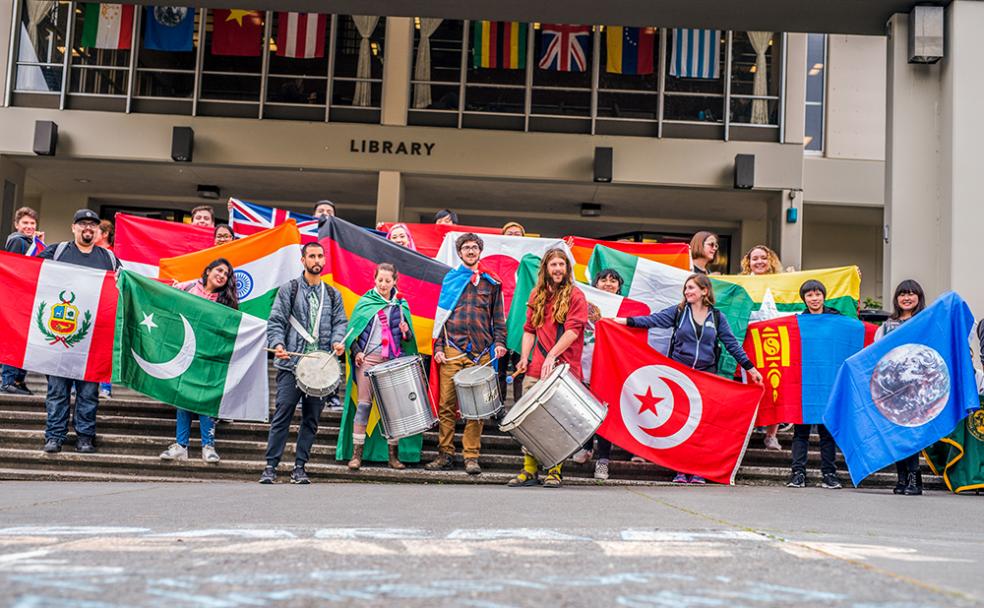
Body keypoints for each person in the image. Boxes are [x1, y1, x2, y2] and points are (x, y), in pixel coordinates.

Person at [614, 273, 763, 484]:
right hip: (680, 375)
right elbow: (651, 321)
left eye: (691, 288)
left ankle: (698, 470)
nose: (687, 292)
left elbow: (732, 344)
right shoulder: (679, 312)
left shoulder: (717, 317)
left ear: (705, 291)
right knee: (681, 423)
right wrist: (618, 321)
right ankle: (680, 470)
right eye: (686, 289)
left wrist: (751, 369)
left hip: (706, 377)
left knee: (701, 426)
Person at [260, 242, 348, 484]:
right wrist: (278, 344)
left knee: (311, 420)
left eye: (320, 256)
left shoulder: (332, 294)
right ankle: (270, 466)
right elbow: (276, 320)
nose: (316, 260)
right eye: (312, 256)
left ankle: (299, 467)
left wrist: (338, 341)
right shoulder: (289, 290)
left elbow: (341, 322)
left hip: (320, 368)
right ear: (303, 260)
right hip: (291, 365)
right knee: (282, 414)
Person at [36, 209, 120, 453]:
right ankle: (54, 437)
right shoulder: (57, 251)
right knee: (57, 392)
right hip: (59, 336)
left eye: (92, 225)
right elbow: (29, 272)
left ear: (98, 230)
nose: (87, 228)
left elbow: (127, 284)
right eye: (82, 224)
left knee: (88, 393)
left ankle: (85, 437)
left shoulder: (109, 258)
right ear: (73, 227)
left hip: (93, 340)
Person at [425, 233, 507, 475]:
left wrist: (500, 343)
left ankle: (471, 457)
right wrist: (438, 348)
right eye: (466, 248)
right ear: (459, 253)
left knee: (477, 409)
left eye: (474, 247)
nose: (470, 251)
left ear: (480, 252)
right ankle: (445, 454)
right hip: (452, 350)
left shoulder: (492, 283)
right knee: (446, 406)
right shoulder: (450, 280)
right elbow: (440, 317)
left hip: (480, 353)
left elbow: (498, 319)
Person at [509, 248, 588, 489]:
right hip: (536, 368)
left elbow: (574, 331)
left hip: (564, 369)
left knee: (557, 421)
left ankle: (554, 469)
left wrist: (552, 356)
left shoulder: (576, 295)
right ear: (545, 268)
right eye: (553, 265)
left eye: (561, 265)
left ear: (567, 268)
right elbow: (529, 330)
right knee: (529, 420)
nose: (557, 269)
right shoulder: (537, 294)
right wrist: (524, 357)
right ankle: (529, 470)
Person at [159, 258, 239, 464]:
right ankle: (181, 446)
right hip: (185, 353)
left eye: (226, 275)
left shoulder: (225, 302)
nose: (222, 276)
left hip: (209, 357)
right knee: (182, 399)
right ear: (208, 270)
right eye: (219, 270)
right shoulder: (189, 287)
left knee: (205, 401)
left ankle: (208, 446)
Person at [343, 263, 416, 471]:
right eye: (380, 280)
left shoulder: (401, 305)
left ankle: (393, 456)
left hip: (392, 361)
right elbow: (352, 334)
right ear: (374, 279)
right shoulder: (366, 302)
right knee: (364, 405)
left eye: (387, 280)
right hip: (368, 359)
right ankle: (357, 455)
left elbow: (408, 340)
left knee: (393, 409)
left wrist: (406, 331)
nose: (383, 284)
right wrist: (356, 351)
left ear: (395, 281)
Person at [786, 280, 843, 490]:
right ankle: (797, 473)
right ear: (804, 299)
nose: (814, 298)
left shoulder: (837, 319)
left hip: (829, 381)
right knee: (800, 431)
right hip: (806, 382)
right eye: (809, 295)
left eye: (818, 294)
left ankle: (829, 474)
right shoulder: (798, 321)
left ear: (824, 296)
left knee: (827, 431)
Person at [874, 279, 927, 496]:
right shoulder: (887, 326)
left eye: (911, 293)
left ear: (918, 297)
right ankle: (902, 477)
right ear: (896, 299)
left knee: (910, 435)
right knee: (895, 435)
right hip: (893, 390)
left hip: (916, 389)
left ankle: (915, 479)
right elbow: (876, 354)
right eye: (902, 294)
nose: (907, 298)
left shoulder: (925, 321)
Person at [574, 268, 625, 480]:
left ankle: (603, 459)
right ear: (595, 284)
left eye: (613, 281)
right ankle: (586, 446)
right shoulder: (585, 303)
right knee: (586, 408)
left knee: (605, 414)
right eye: (604, 279)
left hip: (610, 368)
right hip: (585, 364)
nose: (608, 283)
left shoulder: (625, 308)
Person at [740, 244, 785, 451]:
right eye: (754, 258)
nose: (759, 262)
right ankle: (745, 432)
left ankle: (771, 435)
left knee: (776, 386)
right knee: (749, 387)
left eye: (763, 258)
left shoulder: (782, 284)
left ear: (770, 261)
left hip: (775, 341)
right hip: (749, 341)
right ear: (748, 262)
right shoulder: (741, 284)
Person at [2, 207, 44, 395]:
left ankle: (18, 380)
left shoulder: (31, 242)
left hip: (27, 299)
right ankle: (8, 380)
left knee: (25, 341)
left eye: (32, 223)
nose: (29, 226)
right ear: (17, 225)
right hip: (17, 300)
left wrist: (39, 244)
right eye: (25, 223)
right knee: (15, 340)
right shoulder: (17, 241)